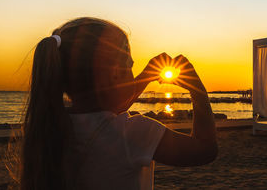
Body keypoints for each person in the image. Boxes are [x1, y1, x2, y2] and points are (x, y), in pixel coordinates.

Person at [18, 17, 217, 190]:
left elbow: (108, 115)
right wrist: (197, 90)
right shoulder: (135, 133)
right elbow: (204, 149)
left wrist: (145, 77)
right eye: (129, 65)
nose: (133, 72)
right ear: (114, 72)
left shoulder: (52, 127)